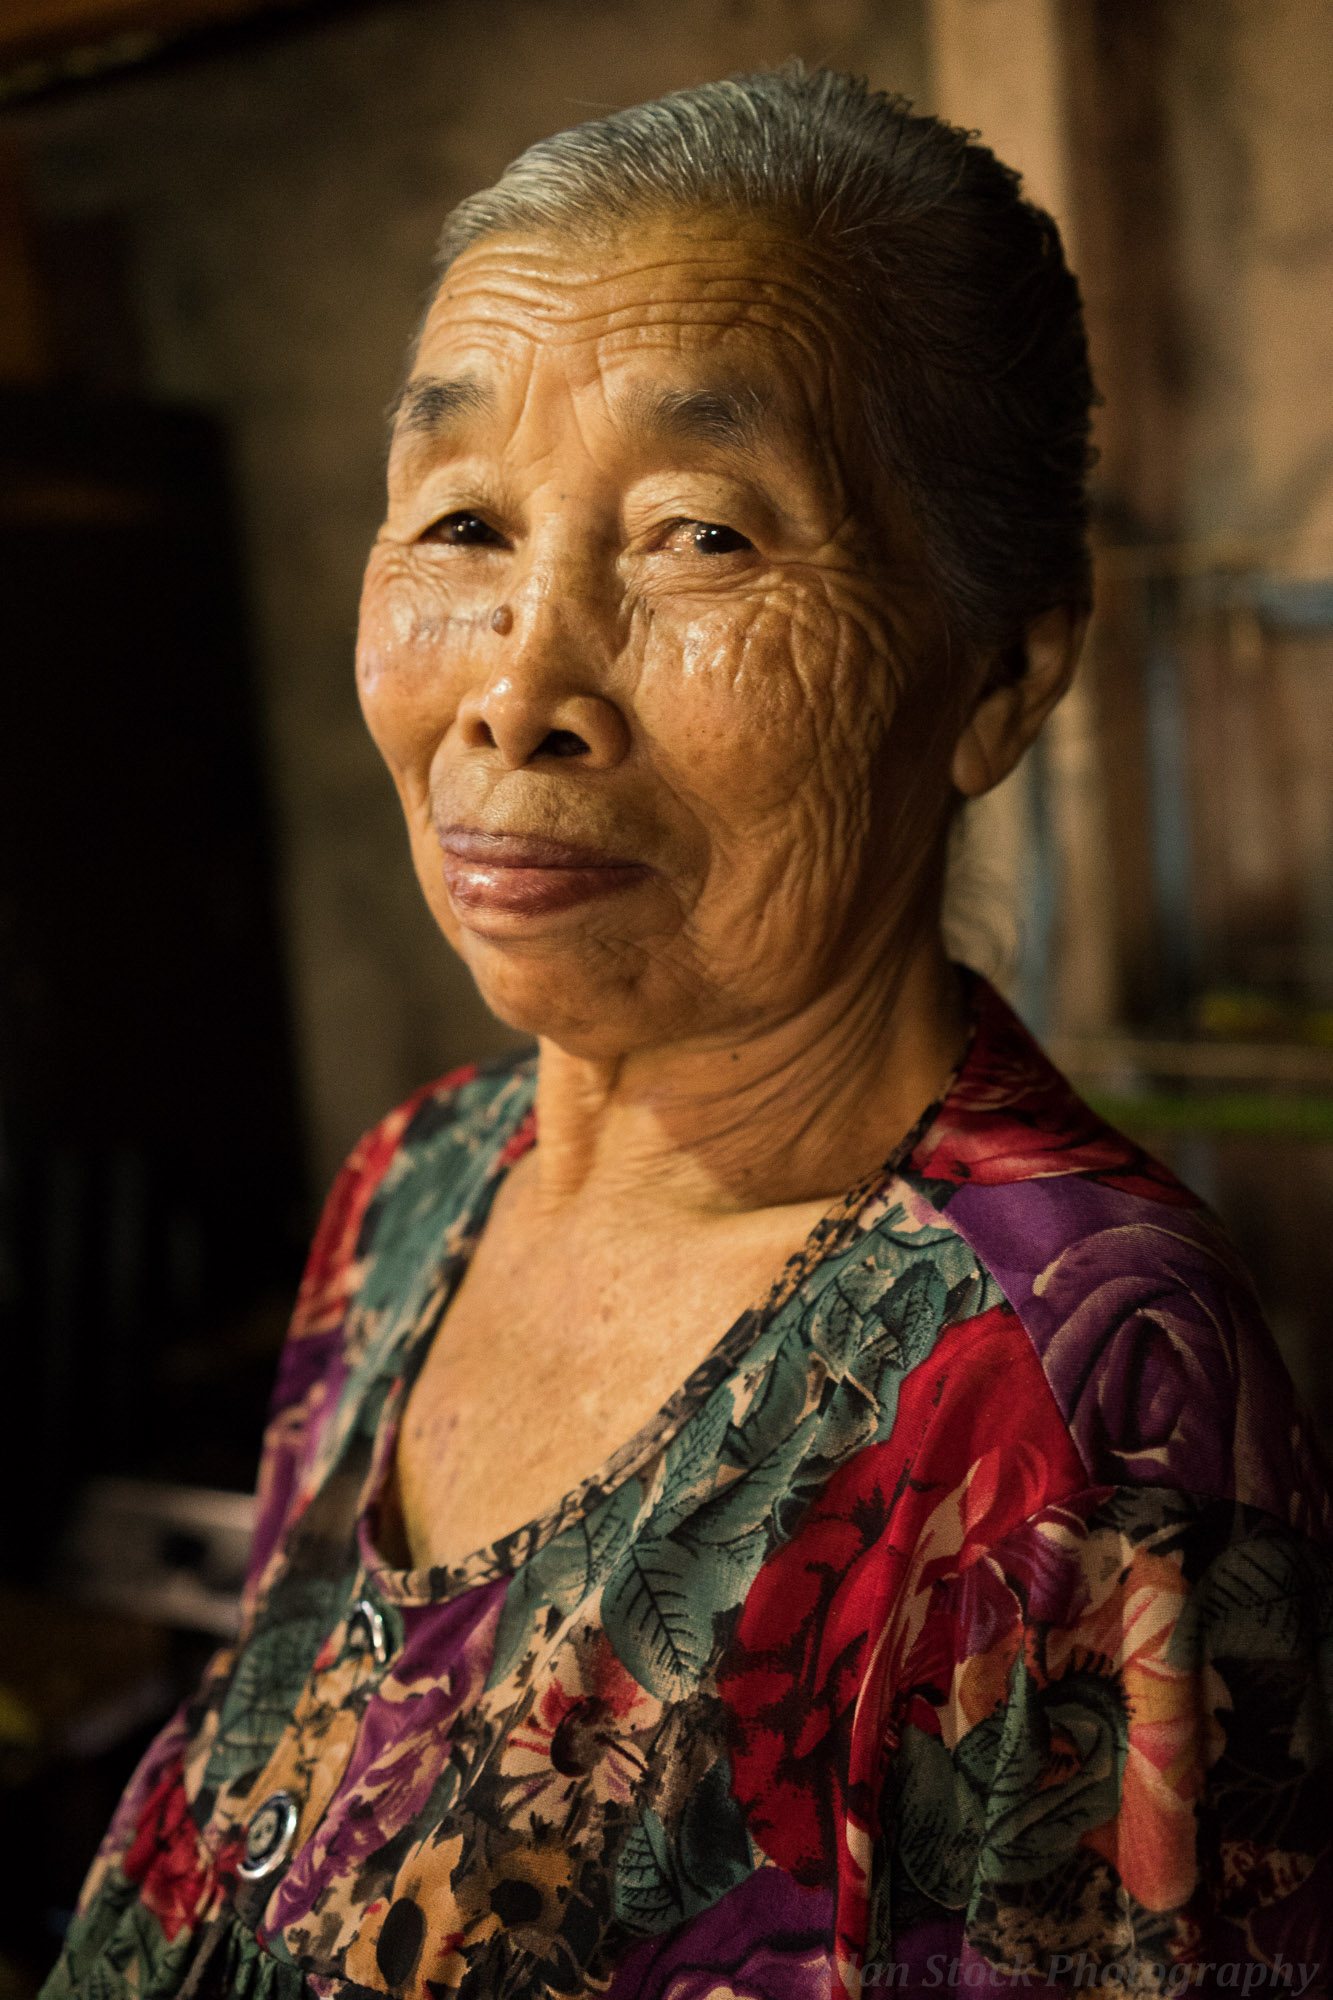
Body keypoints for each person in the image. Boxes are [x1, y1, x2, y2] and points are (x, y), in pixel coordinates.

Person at [45, 64, 1333, 2000]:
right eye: (461, 521)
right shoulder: (425, 1181)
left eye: (700, 537)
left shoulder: (1066, 1405)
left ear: (994, 675)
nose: (519, 688)